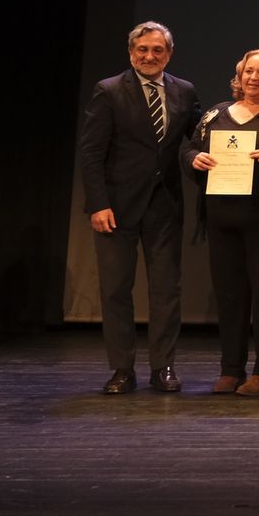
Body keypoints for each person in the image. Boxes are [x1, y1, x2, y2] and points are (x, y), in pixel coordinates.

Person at [78, 22, 201, 395]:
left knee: (167, 290)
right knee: (116, 290)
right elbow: (92, 153)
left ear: (169, 54)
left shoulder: (184, 91)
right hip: (116, 209)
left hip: (165, 207)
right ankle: (121, 369)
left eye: (157, 50)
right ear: (131, 52)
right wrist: (98, 204)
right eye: (142, 50)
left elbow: (197, 139)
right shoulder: (110, 91)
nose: (149, 56)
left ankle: (163, 367)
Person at [185, 48, 259, 396]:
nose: (253, 78)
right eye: (248, 71)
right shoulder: (216, 114)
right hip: (221, 219)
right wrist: (194, 159)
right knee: (230, 297)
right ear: (240, 75)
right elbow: (187, 149)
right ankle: (231, 369)